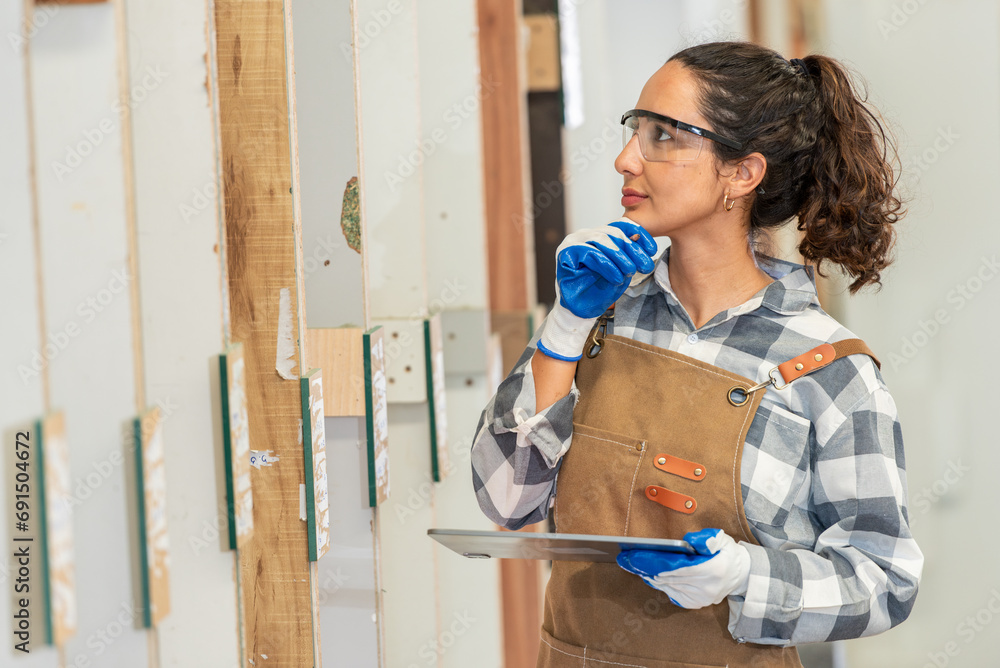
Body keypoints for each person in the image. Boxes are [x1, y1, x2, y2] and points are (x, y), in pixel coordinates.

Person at [471, 41, 923, 668]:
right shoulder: (599, 316)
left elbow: (884, 580)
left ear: (742, 173)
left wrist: (747, 576)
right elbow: (505, 501)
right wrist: (566, 324)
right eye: (635, 130)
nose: (625, 159)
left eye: (664, 135)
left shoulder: (829, 369)